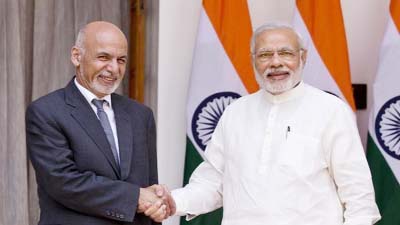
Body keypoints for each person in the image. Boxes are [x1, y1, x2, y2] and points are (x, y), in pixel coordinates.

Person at [169, 23, 381, 225]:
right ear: (253, 60)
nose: (276, 62)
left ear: (303, 57)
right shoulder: (235, 112)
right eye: (265, 55)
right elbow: (211, 184)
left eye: (286, 53)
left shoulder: (331, 111)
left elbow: (358, 194)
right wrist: (169, 201)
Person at [26, 21, 174, 225]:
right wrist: (136, 198)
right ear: (77, 56)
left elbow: (148, 189)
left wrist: (156, 207)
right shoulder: (46, 112)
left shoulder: (141, 115)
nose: (113, 69)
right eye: (103, 57)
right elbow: (63, 182)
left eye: (121, 60)